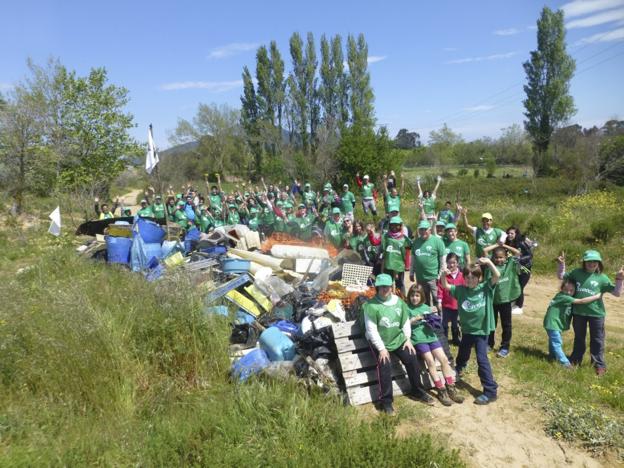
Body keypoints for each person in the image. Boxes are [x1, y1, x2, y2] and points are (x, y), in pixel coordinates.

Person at [363, 274, 434, 414]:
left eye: (387, 286)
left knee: (412, 358)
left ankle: (417, 391)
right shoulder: (370, 306)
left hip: (398, 338)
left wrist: (407, 339)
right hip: (380, 342)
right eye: (382, 286)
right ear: (377, 287)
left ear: (391, 286)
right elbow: (371, 330)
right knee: (385, 365)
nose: (385, 289)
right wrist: (382, 349)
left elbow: (405, 322)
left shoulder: (399, 302)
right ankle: (387, 402)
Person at [440, 257, 500, 405]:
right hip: (467, 330)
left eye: (474, 278)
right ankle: (459, 369)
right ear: (464, 278)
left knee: (482, 359)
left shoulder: (485, 287)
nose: (470, 280)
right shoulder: (461, 290)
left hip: (481, 331)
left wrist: (489, 263)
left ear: (479, 278)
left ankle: (490, 391)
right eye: (467, 277)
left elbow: (497, 275)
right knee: (463, 351)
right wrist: (443, 274)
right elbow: (445, 285)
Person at [557, 250, 623, 375]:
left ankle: (599, 364)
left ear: (599, 263)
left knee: (597, 339)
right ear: (584, 262)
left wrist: (619, 279)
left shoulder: (602, 278)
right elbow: (562, 276)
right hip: (578, 313)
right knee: (579, 338)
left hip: (596, 314)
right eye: (588, 261)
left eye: (594, 261)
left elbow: (617, 293)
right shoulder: (576, 273)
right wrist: (561, 264)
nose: (591, 263)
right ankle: (575, 360)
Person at [406, 284, 464, 406]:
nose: (414, 298)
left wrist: (433, 315)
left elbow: (435, 321)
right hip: (419, 339)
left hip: (431, 336)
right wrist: (413, 320)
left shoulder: (426, 307)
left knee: (443, 359)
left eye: (417, 295)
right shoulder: (407, 309)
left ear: (421, 296)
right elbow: (404, 324)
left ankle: (450, 387)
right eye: (412, 295)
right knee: (430, 362)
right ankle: (441, 390)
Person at [544, 280, 601, 368]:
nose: (568, 292)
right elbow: (581, 301)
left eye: (571, 290)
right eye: (566, 289)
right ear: (561, 289)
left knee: (554, 341)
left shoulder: (564, 296)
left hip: (553, 323)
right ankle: (565, 363)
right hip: (552, 323)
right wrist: (596, 296)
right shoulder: (563, 297)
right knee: (557, 342)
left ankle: (553, 356)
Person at [483, 244, 522, 358]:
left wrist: (504, 245)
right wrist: (497, 244)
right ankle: (489, 344)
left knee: (506, 325)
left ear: (506, 257)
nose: (499, 259)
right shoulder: (489, 265)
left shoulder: (509, 264)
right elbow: (485, 250)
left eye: (501, 257)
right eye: (496, 257)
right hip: (492, 301)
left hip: (505, 301)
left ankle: (505, 347)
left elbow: (517, 253)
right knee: (491, 324)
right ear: (493, 258)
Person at [409, 220, 446, 309]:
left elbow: (442, 260)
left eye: (425, 229)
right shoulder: (416, 242)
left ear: (429, 230)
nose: (423, 232)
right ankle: (427, 318)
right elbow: (413, 259)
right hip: (420, 277)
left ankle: (441, 318)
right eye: (421, 230)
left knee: (437, 299)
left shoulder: (437, 241)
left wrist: (440, 275)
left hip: (433, 277)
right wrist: (411, 272)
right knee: (424, 300)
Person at [437, 253, 465, 345]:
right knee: (444, 323)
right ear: (446, 263)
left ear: (458, 263)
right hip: (446, 305)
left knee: (455, 323)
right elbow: (440, 289)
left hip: (457, 305)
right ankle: (444, 339)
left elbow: (465, 288)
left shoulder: (462, 275)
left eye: (454, 262)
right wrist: (439, 301)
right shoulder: (444, 276)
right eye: (449, 263)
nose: (452, 265)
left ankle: (456, 339)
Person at [506, 226, 534, 315]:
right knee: (513, 286)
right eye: (508, 233)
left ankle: (519, 306)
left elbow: (530, 255)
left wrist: (520, 259)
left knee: (520, 287)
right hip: (514, 269)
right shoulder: (508, 243)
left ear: (516, 234)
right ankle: (513, 304)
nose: (509, 235)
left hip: (524, 269)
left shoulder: (521, 243)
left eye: (512, 233)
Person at [380, 216, 410, 294]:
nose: (394, 227)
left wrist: (407, 265)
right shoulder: (386, 236)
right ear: (390, 226)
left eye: (397, 225)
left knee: (400, 284)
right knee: (387, 283)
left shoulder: (404, 238)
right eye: (392, 225)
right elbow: (383, 252)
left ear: (400, 226)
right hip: (388, 265)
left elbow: (407, 252)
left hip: (399, 266)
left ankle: (402, 300)